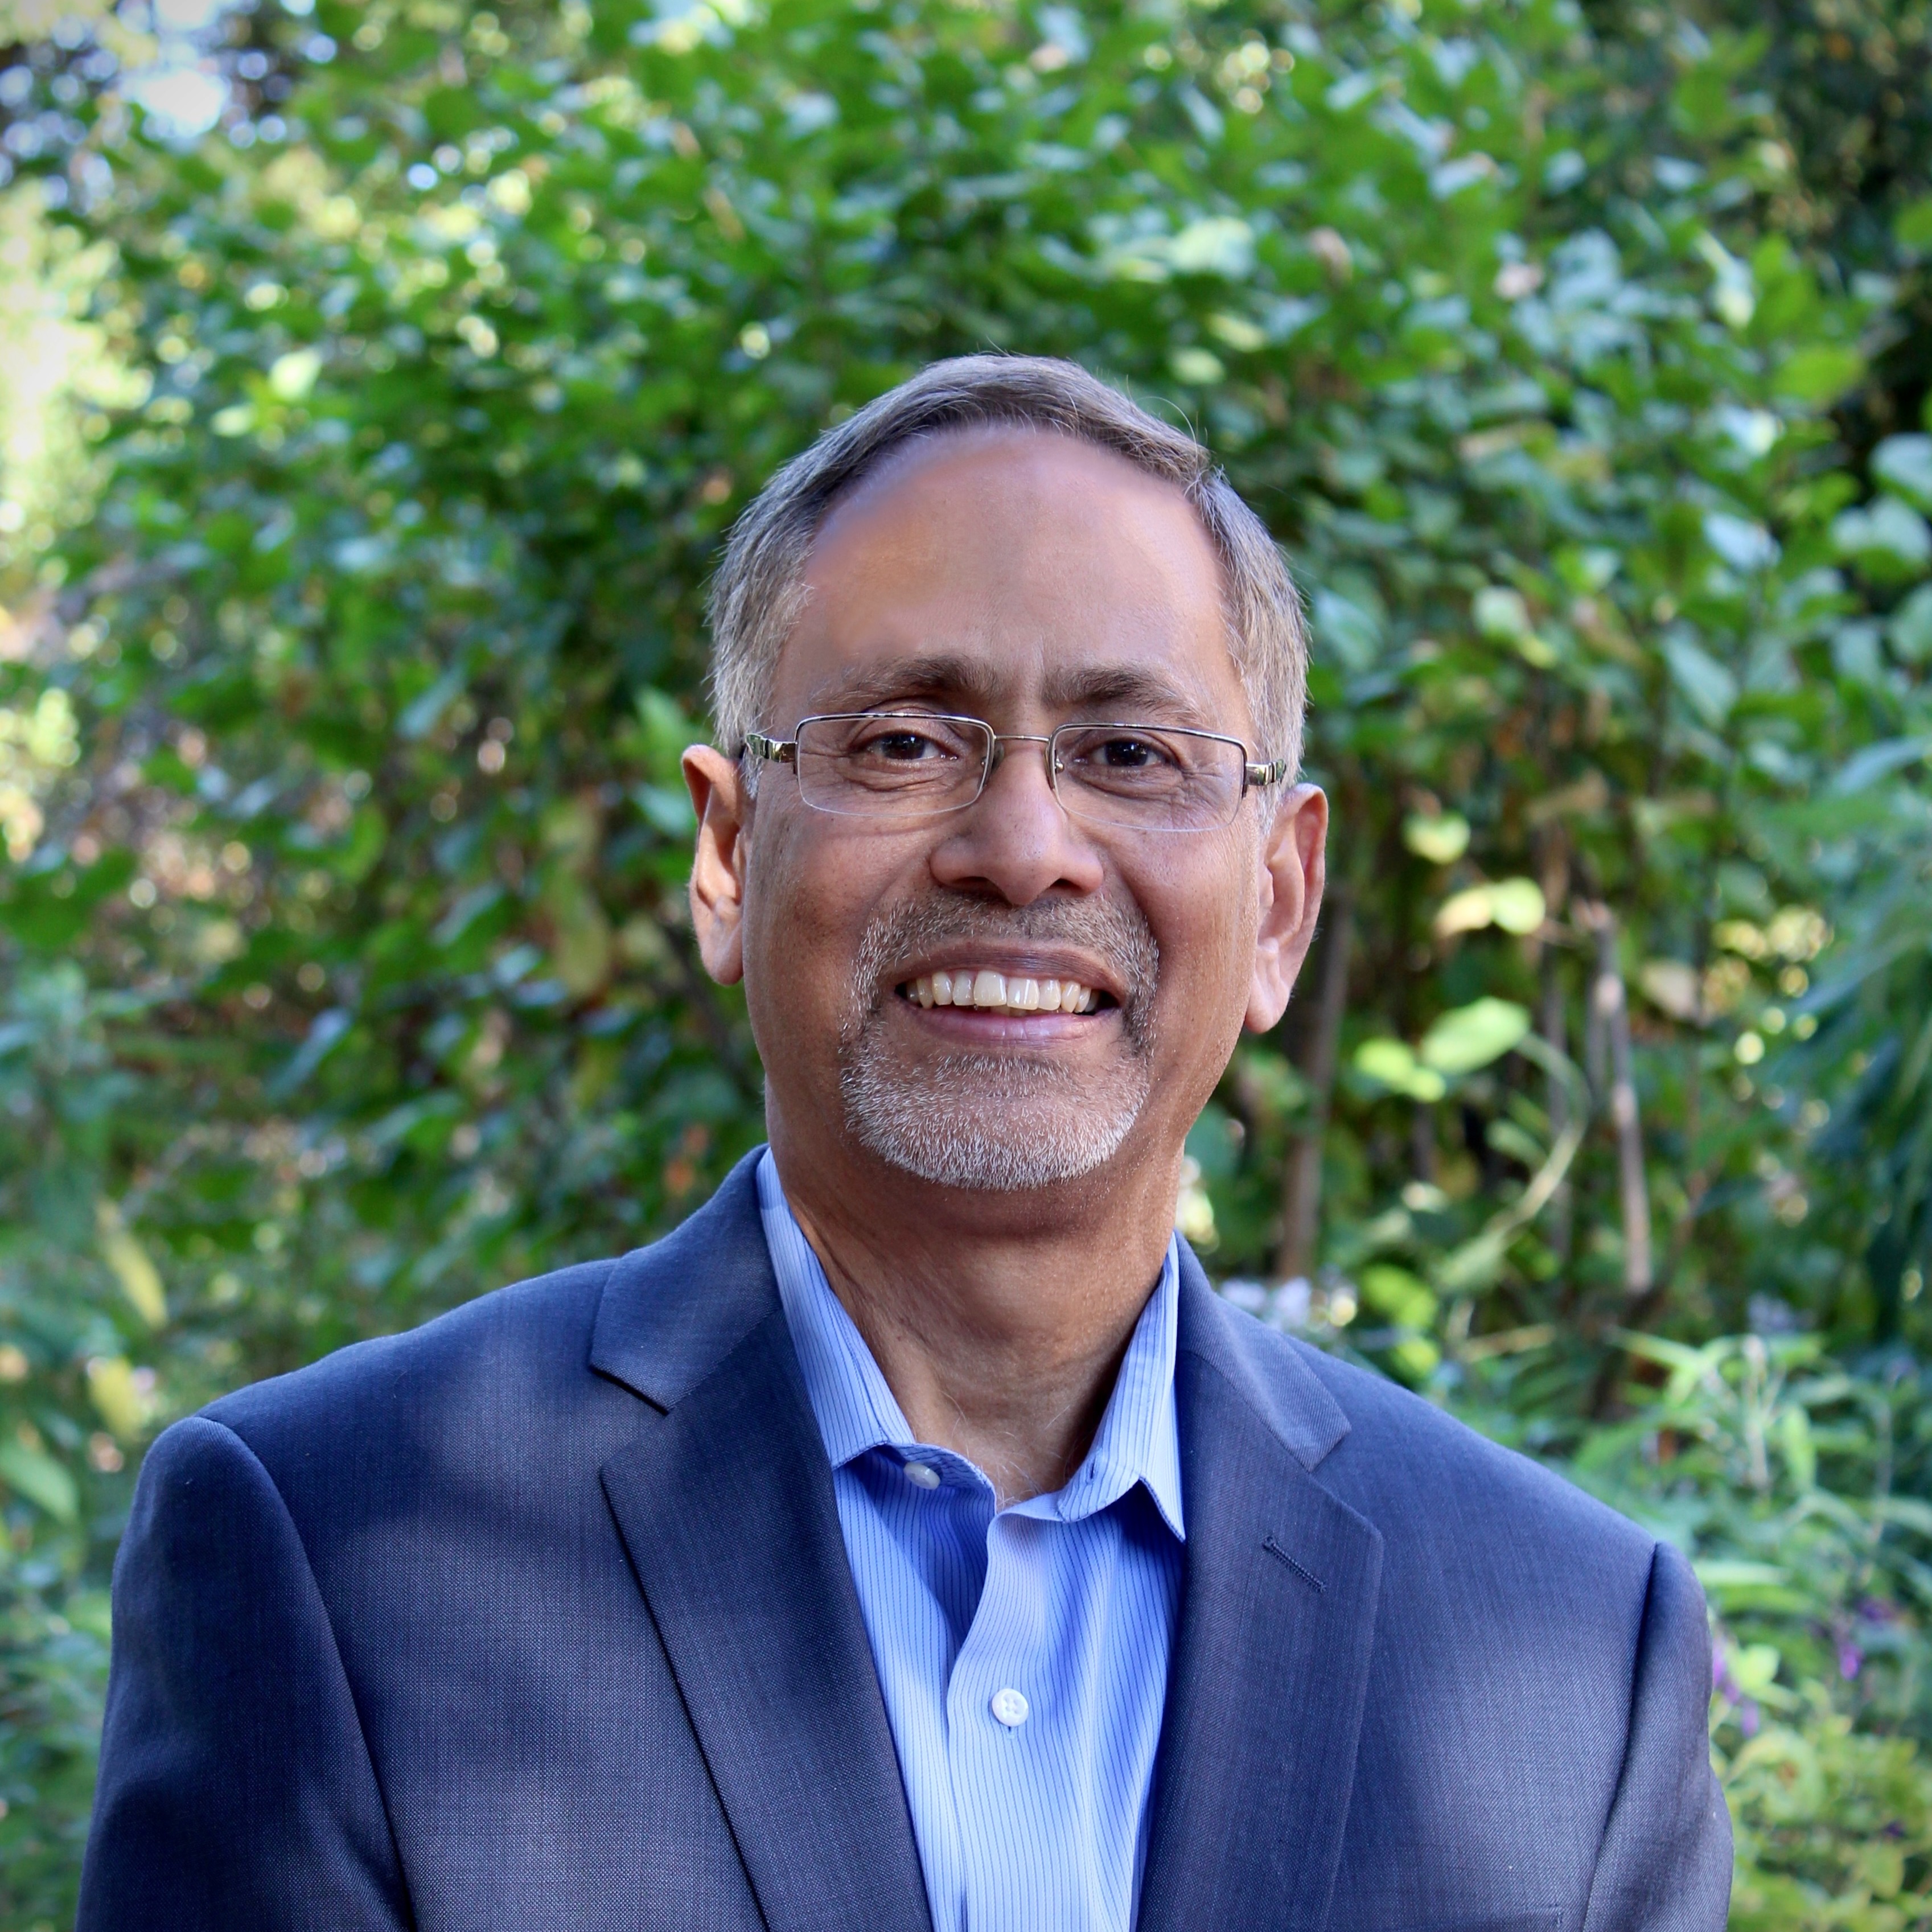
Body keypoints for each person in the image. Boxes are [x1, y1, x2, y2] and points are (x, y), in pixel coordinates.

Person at [79, 356, 1730, 1931]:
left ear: (1282, 900)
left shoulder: (1571, 1657)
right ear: (727, 856)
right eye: (901, 742)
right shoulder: (337, 1555)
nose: (1022, 849)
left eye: (1132, 754)